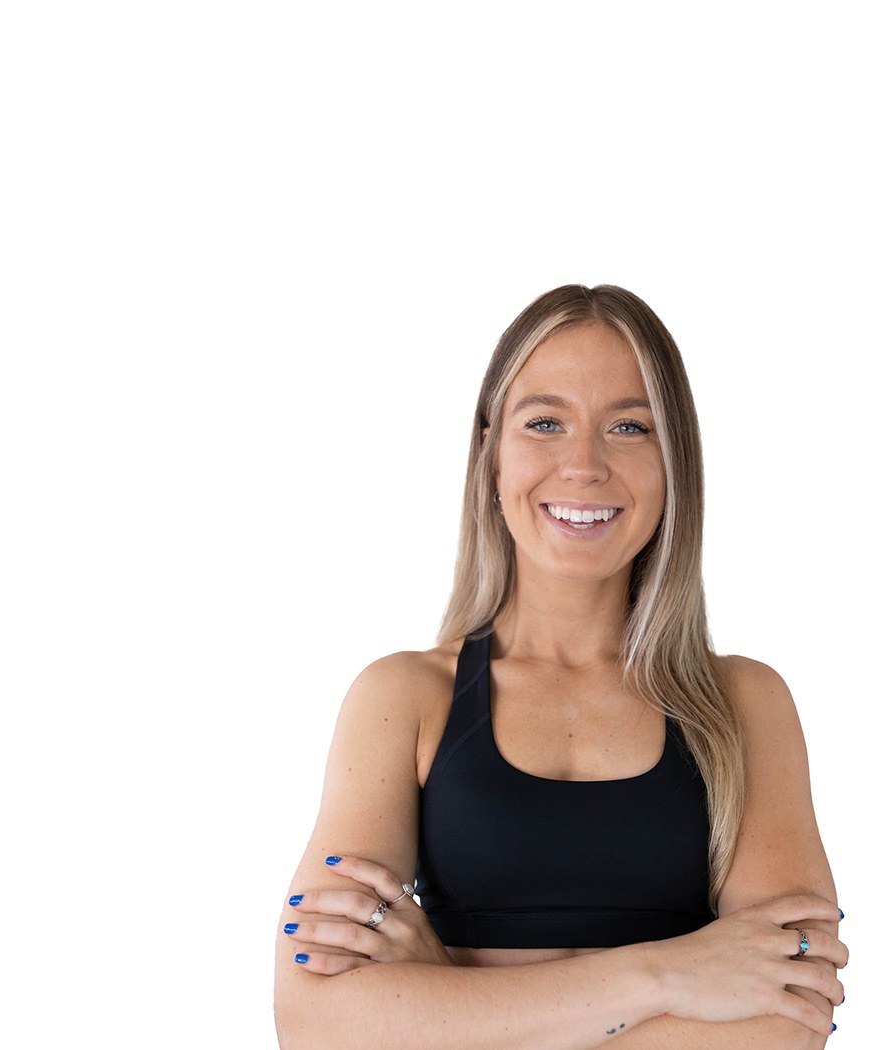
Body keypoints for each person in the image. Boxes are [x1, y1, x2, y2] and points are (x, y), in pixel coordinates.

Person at [273, 285, 847, 1049]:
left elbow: (787, 1018)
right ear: (490, 454)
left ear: (676, 460)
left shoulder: (744, 704)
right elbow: (317, 1022)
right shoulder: (404, 698)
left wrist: (447, 997)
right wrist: (668, 975)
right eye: (545, 423)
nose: (584, 465)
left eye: (629, 427)